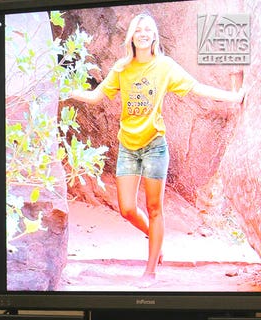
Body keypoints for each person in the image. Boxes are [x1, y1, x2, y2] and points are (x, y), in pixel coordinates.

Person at [68, 13, 245, 284]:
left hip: (155, 147)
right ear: (132, 36)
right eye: (138, 29)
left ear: (154, 36)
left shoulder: (164, 66)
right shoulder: (122, 68)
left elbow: (195, 88)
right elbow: (95, 96)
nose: (143, 33)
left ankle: (150, 269)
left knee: (154, 208)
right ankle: (155, 236)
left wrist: (233, 97)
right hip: (128, 145)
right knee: (127, 208)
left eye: (148, 30)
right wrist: (65, 90)